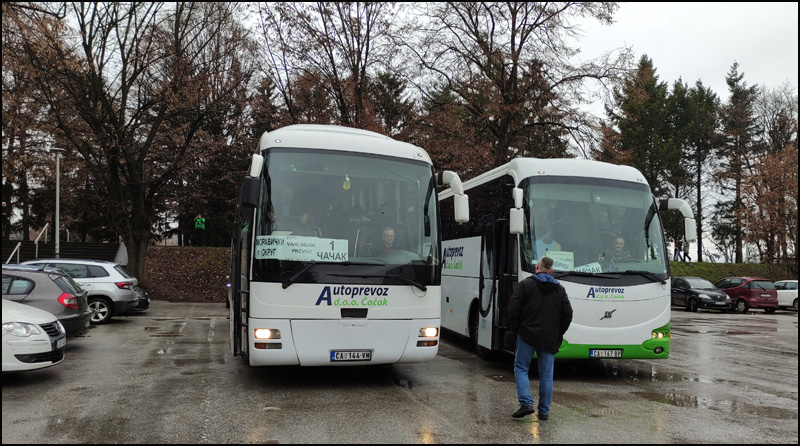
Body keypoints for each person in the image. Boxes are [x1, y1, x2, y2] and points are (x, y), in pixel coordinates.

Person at [508, 255, 573, 420]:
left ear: (537, 266)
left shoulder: (525, 285)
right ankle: (544, 411)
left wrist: (517, 329)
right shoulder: (560, 289)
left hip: (527, 334)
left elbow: (513, 309)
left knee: (521, 368)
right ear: (551, 271)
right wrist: (558, 333)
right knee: (546, 375)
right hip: (549, 337)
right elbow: (568, 314)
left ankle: (526, 403)